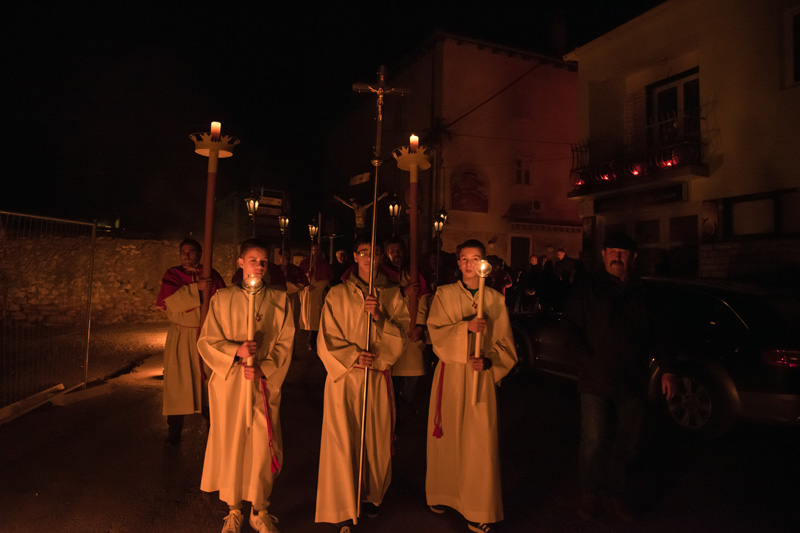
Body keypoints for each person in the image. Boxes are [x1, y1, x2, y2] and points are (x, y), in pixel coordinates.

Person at [563, 231, 676, 523]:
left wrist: (667, 369)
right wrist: (586, 361)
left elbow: (658, 335)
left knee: (628, 440)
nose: (616, 257)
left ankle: (615, 495)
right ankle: (590, 494)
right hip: (594, 379)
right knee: (594, 439)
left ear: (633, 257)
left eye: (622, 253)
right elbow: (571, 330)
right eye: (611, 252)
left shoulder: (644, 293)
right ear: (603, 256)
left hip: (631, 379)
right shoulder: (588, 289)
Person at [197, 238, 295, 533]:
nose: (259, 266)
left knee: (262, 446)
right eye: (253, 260)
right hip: (230, 385)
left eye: (264, 261)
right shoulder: (223, 298)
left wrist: (264, 368)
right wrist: (235, 352)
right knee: (233, 444)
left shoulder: (280, 300)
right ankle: (234, 508)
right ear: (241, 263)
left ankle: (260, 509)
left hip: (262, 385)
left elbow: (286, 343)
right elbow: (207, 340)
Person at [425, 239, 518, 533]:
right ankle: (442, 492)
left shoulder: (495, 300)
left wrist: (489, 362)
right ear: (458, 263)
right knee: (448, 436)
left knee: (478, 442)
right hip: (451, 374)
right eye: (463, 259)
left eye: (475, 259)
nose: (468, 264)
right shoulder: (444, 294)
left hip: (479, 378)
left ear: (484, 264)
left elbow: (506, 345)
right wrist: (464, 328)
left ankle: (478, 508)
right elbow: (435, 333)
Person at [315, 235, 406, 529]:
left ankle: (370, 495)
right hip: (344, 380)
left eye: (375, 253)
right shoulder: (337, 294)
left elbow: (401, 339)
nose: (369, 258)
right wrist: (354, 355)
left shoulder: (392, 294)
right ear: (355, 256)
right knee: (344, 440)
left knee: (375, 440)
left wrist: (379, 317)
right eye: (364, 252)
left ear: (381, 258)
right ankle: (344, 499)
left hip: (376, 380)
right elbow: (326, 338)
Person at [155, 238, 225, 446]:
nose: (186, 255)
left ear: (200, 254)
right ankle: (174, 433)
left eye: (191, 251)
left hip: (207, 335)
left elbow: (223, 301)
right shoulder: (172, 274)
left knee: (208, 385)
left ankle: (214, 432)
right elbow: (172, 304)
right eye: (183, 251)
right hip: (182, 338)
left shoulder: (212, 275)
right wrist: (197, 288)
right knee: (179, 386)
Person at [383, 237, 430, 414]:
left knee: (413, 373)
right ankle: (392, 406)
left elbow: (424, 297)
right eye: (392, 251)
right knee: (391, 373)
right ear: (387, 253)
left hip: (411, 327)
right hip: (390, 328)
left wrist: (420, 326)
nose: (396, 254)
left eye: (399, 250)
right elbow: (380, 297)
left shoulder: (413, 271)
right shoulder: (382, 272)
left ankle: (406, 403)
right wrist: (402, 292)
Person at [299, 243, 333, 351]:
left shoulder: (324, 264)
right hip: (307, 292)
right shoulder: (305, 262)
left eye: (317, 250)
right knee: (306, 314)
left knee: (316, 315)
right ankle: (309, 335)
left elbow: (325, 280)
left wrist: (316, 287)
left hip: (317, 291)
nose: (315, 252)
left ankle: (313, 338)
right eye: (314, 250)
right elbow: (299, 276)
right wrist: (306, 282)